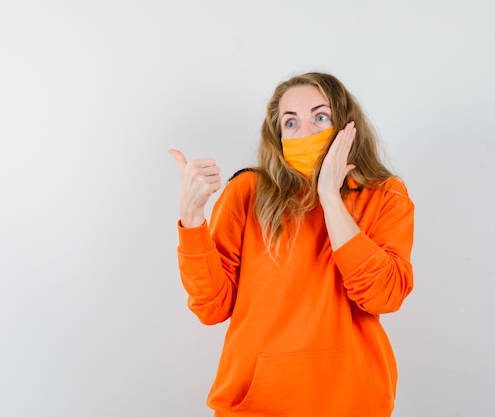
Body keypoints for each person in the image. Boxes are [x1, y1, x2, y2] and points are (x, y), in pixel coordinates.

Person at [169, 72, 414, 417]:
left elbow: (384, 296)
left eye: (320, 117)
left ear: (346, 125)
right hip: (255, 404)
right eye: (291, 122)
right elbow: (212, 307)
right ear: (278, 135)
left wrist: (330, 196)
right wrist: (192, 216)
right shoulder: (247, 192)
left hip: (354, 401)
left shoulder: (385, 196)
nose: (306, 132)